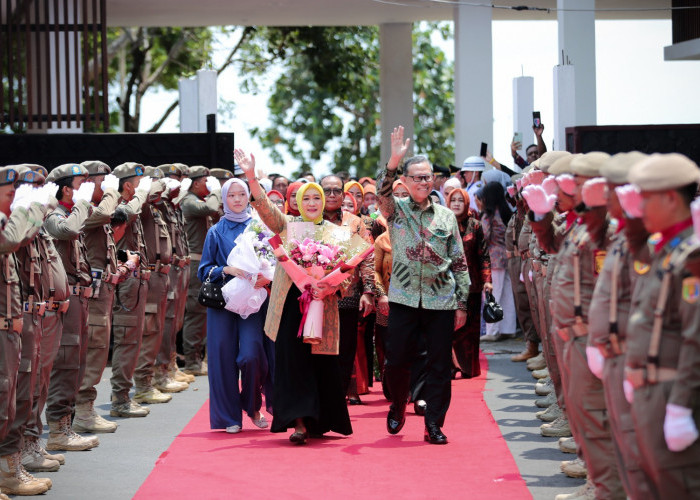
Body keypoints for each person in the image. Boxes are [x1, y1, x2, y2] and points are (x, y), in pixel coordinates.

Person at [235, 148, 352, 445]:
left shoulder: (337, 233)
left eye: (317, 198)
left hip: (323, 306)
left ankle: (318, 421)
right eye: (306, 198)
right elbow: (262, 206)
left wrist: (332, 286)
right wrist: (251, 176)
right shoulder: (287, 225)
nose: (312, 202)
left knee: (321, 364)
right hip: (290, 307)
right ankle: (299, 423)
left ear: (323, 202)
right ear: (297, 202)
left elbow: (347, 272)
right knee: (293, 364)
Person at [377, 126, 471, 445]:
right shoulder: (396, 211)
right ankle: (397, 406)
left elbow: (458, 260)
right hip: (403, 299)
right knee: (396, 360)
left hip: (440, 301)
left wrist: (462, 303)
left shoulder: (446, 217)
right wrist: (393, 161)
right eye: (416, 177)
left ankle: (433, 423)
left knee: (439, 365)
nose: (423, 182)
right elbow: (382, 192)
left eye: (427, 176)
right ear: (405, 182)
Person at [624, 153, 700, 497]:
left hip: (672, 395)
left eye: (646, 197)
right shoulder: (664, 249)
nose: (638, 206)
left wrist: (681, 405)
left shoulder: (691, 258)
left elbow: (694, 339)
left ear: (671, 198)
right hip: (649, 390)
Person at [198, 178, 272, 434]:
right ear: (224, 199)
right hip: (222, 303)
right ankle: (229, 416)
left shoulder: (259, 228)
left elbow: (272, 262)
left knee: (252, 355)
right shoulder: (215, 232)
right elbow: (203, 271)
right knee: (223, 358)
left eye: (242, 194)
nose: (238, 199)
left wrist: (266, 276)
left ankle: (251, 405)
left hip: (252, 302)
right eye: (232, 195)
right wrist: (225, 269)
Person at [43, 164, 100, 451]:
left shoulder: (73, 212)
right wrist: (82, 203)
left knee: (76, 363)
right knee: (65, 364)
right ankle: (57, 430)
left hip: (79, 299)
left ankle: (66, 425)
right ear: (66, 189)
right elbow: (68, 230)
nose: (86, 188)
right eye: (81, 183)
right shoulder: (55, 216)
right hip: (64, 304)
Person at [446, 188, 492, 377]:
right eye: (453, 200)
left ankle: (469, 368)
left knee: (469, 330)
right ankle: (450, 367)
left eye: (460, 200)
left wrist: (487, 281)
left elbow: (484, 256)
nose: (456, 203)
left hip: (471, 286)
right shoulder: (442, 224)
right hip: (447, 285)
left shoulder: (475, 225)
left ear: (466, 203)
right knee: (448, 329)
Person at [180, 167, 222, 376]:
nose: (209, 185)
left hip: (204, 262)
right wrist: (216, 191)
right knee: (195, 312)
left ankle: (198, 358)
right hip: (195, 262)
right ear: (195, 183)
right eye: (206, 181)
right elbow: (212, 206)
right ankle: (192, 361)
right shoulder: (189, 201)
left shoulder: (199, 201)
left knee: (203, 312)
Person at [480, 182, 517, 341]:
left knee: (492, 294)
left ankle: (492, 331)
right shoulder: (506, 212)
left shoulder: (488, 215)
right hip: (507, 256)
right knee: (507, 294)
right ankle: (508, 329)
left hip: (493, 258)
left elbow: (485, 237)